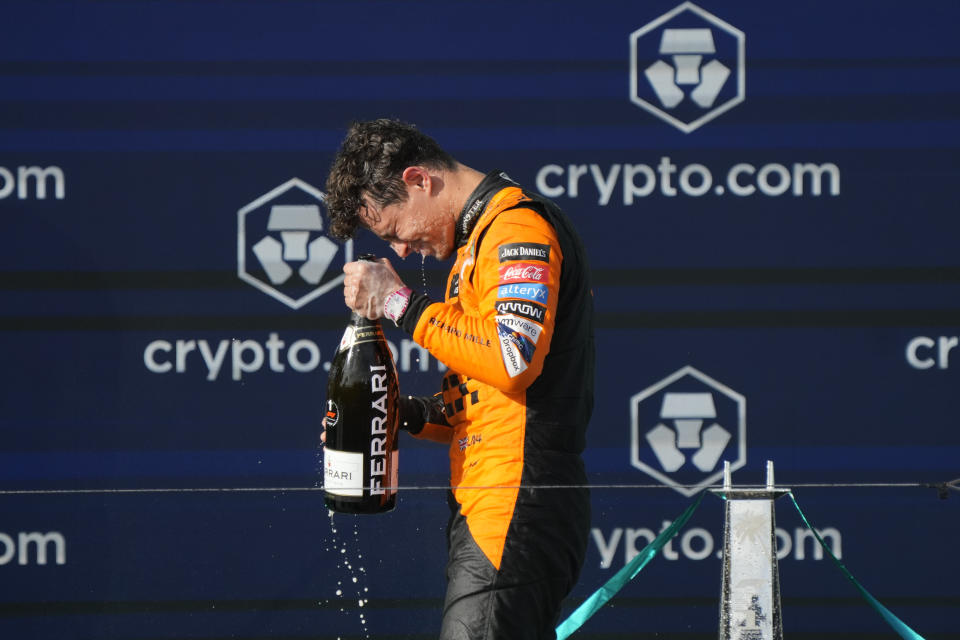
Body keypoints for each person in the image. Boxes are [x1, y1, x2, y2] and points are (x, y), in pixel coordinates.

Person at [323, 118, 595, 640]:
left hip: (515, 499)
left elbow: (512, 361)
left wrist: (400, 302)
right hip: (491, 501)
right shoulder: (477, 245)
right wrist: (393, 414)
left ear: (418, 180)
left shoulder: (517, 229)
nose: (400, 250)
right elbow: (487, 401)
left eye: (395, 230)